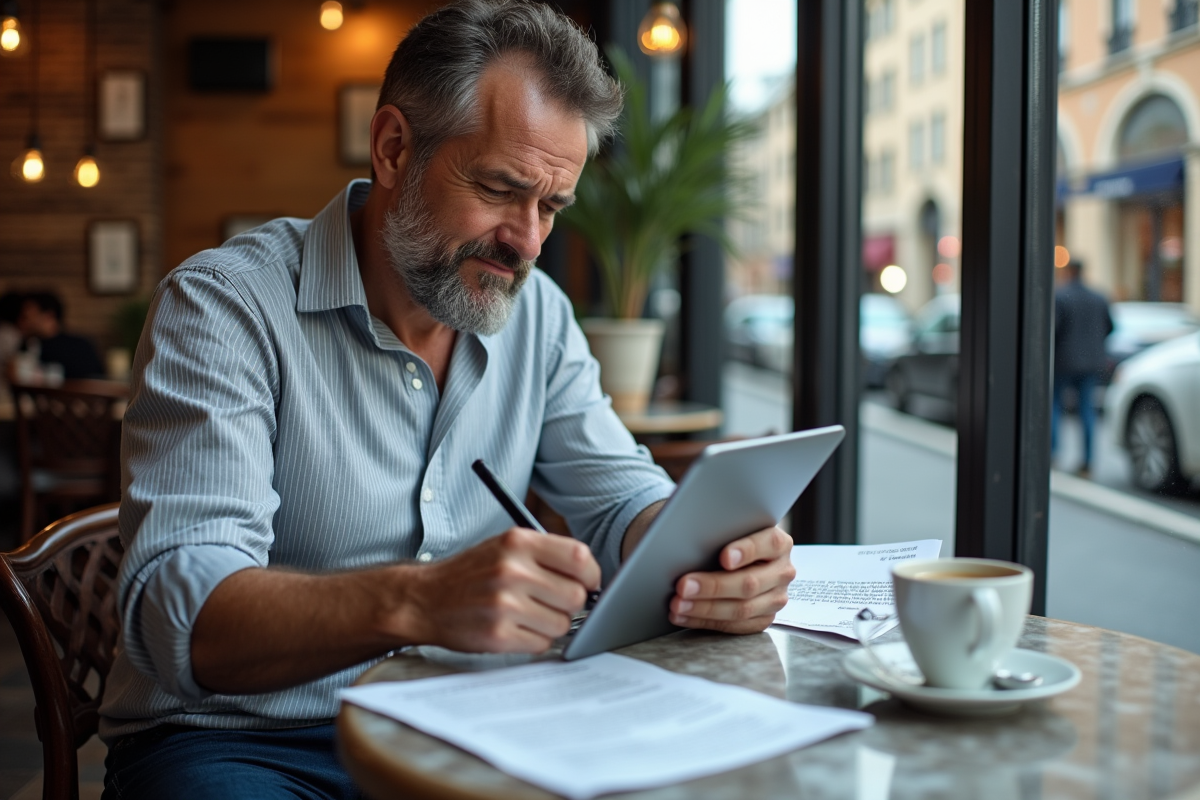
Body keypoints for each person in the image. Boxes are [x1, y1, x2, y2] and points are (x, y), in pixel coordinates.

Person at [98, 3, 796, 798]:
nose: (527, 242)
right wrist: (418, 599)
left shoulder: (537, 315)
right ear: (394, 148)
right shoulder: (224, 307)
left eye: (551, 207)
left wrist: (708, 556)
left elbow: (618, 502)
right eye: (500, 189)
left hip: (469, 722)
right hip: (243, 743)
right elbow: (183, 617)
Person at [1052, 259, 1113, 478]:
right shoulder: (1099, 297)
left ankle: (1053, 454)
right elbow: (1110, 327)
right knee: (1087, 410)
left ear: (1068, 272)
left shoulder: (1060, 296)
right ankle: (1087, 462)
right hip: (1092, 363)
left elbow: (1054, 329)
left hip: (1064, 362)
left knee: (1055, 406)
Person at [16, 291, 106, 380]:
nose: (21, 322)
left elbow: (95, 382)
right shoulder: (28, 346)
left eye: (26, 317)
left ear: (49, 316)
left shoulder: (80, 347)